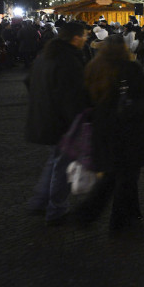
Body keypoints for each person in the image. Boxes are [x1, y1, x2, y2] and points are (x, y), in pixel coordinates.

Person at [71, 35, 144, 235]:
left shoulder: (93, 68)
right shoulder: (129, 68)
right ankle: (118, 221)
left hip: (103, 129)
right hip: (128, 129)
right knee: (126, 176)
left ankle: (101, 214)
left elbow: (84, 99)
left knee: (113, 174)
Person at [25, 21, 90, 226]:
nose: (86, 39)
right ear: (76, 37)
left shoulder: (46, 55)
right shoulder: (68, 59)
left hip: (46, 116)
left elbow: (28, 81)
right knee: (63, 165)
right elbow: (72, 95)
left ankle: (39, 201)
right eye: (85, 36)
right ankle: (56, 210)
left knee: (55, 161)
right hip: (64, 121)